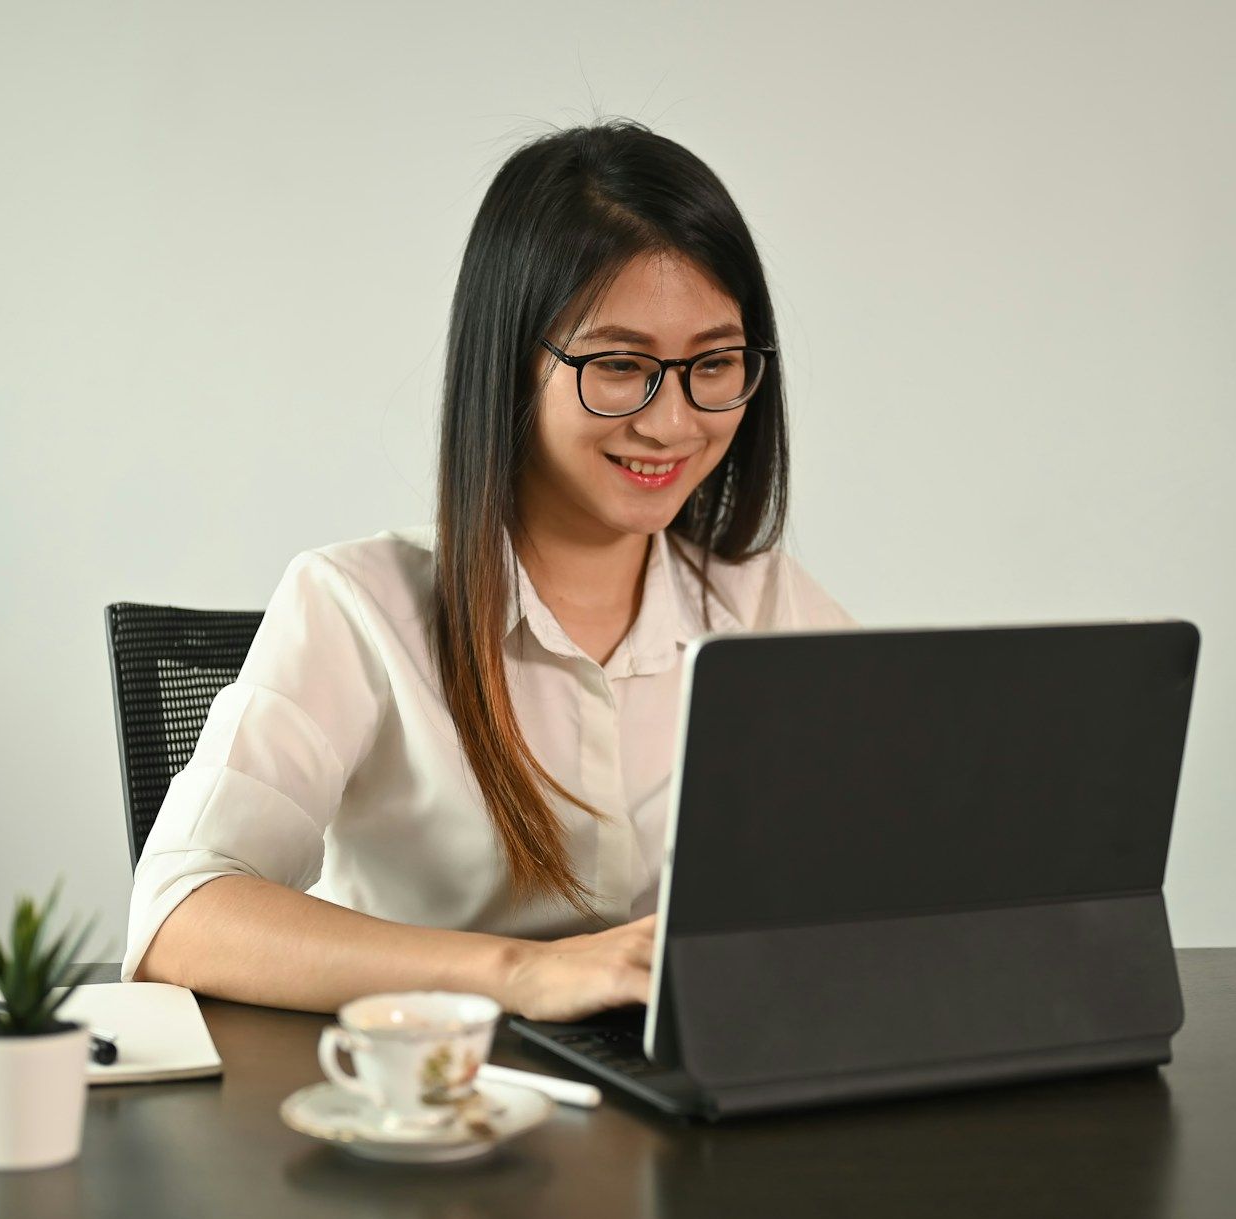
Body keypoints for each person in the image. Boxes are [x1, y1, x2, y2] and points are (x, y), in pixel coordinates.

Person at [122, 119, 853, 1021]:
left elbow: (929, 855)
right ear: (510, 365)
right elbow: (177, 918)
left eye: (713, 363)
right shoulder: (357, 605)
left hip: (691, 1112)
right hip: (433, 1115)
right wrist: (521, 972)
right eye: (620, 365)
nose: (673, 423)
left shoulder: (767, 603)